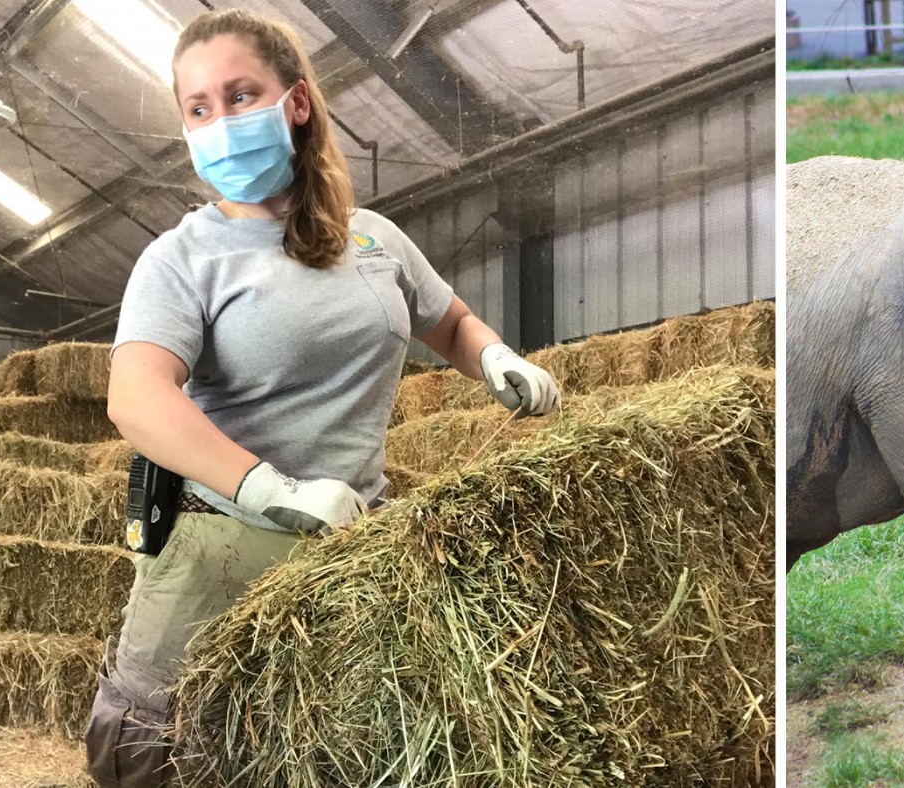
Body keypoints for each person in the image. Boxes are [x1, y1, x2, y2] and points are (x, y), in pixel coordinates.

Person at [85, 9, 560, 786]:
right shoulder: (182, 258)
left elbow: (447, 321)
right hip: (222, 545)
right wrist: (271, 488)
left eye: (241, 96)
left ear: (295, 103)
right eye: (198, 108)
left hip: (352, 549)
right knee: (152, 754)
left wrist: (494, 356)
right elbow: (136, 399)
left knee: (339, 757)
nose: (220, 122)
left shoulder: (371, 238)